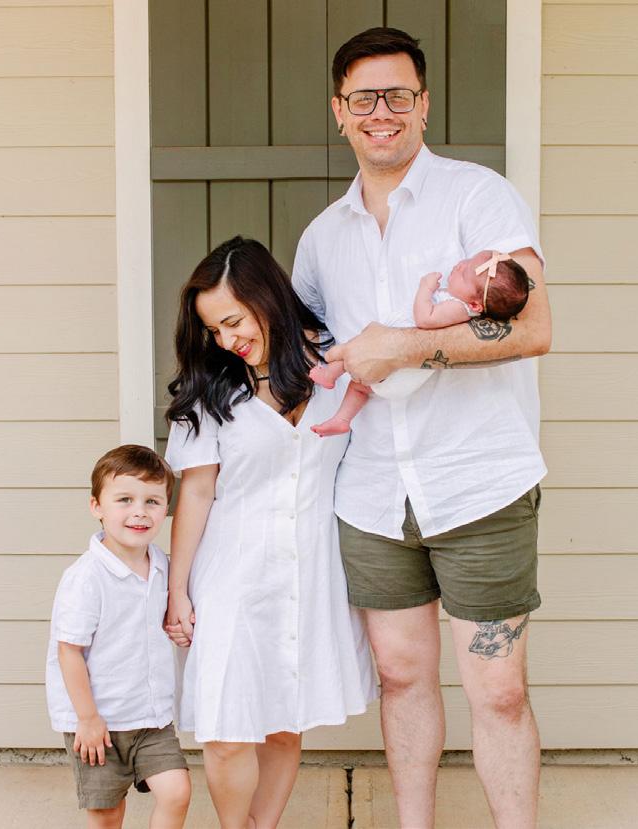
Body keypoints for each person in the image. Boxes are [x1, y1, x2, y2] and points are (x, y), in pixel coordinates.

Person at [292, 26, 551, 829]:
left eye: (398, 95)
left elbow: (532, 325)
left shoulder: (476, 197)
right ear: (339, 110)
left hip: (477, 483)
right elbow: (303, 350)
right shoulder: (321, 239)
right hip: (371, 494)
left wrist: (403, 345)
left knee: (496, 689)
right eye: (364, 98)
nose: (382, 112)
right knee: (401, 678)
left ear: (424, 103)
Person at [163, 236, 377, 829]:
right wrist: (178, 591)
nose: (226, 340)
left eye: (233, 321)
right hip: (232, 575)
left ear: (265, 297)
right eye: (214, 330)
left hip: (311, 572)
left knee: (285, 722)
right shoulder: (212, 393)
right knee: (227, 732)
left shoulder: (338, 365)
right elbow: (196, 495)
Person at [45, 445, 191, 829]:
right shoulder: (86, 578)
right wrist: (88, 718)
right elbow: (69, 652)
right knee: (107, 813)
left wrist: (178, 629)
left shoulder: (163, 568)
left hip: (151, 717)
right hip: (98, 722)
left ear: (166, 507)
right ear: (97, 506)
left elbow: (160, 623)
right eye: (125, 499)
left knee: (176, 791)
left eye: (152, 501)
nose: (140, 511)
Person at [310, 249, 530, 436]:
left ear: (475, 305)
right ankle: (342, 419)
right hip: (398, 370)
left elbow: (425, 319)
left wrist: (425, 288)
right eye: (467, 261)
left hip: (399, 367)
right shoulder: (462, 303)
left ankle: (330, 374)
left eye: (464, 274)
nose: (460, 265)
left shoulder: (459, 308)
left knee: (352, 352)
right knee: (360, 386)